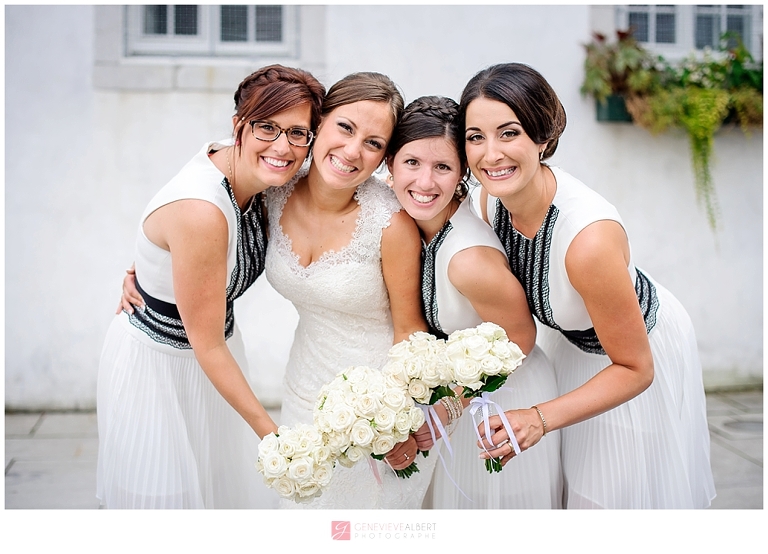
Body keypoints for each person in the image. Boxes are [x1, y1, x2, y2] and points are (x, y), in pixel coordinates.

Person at [460, 62, 716, 508]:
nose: (490, 154)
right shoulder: (488, 199)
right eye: (475, 137)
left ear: (542, 138)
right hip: (572, 341)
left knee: (608, 494)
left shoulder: (588, 239)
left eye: (509, 133)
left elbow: (636, 368)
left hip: (631, 352)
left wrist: (539, 417)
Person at [97, 65, 325, 509]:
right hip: (159, 368)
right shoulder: (203, 209)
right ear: (239, 125)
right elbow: (185, 218)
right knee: (166, 502)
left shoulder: (260, 172)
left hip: (214, 356)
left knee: (217, 492)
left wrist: (145, 265)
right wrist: (275, 437)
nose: (283, 146)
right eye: (268, 127)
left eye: (299, 133)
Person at [264, 72, 437, 509]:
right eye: (345, 127)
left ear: (384, 157)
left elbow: (410, 333)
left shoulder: (390, 223)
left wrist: (397, 424)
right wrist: (151, 265)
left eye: (374, 143)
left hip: (375, 409)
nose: (353, 151)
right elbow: (224, 166)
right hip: (303, 391)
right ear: (320, 121)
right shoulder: (276, 188)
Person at [385, 95, 563, 509]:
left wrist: (450, 407)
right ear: (389, 164)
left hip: (503, 398)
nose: (425, 183)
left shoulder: (468, 261)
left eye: (443, 167)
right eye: (412, 163)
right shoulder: (416, 222)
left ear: (463, 173)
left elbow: (520, 337)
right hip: (461, 397)